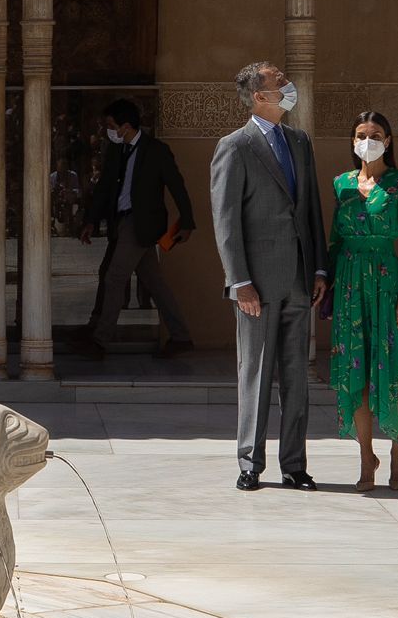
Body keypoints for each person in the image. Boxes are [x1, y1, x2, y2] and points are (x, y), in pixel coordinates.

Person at [211, 62, 327, 491]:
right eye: (280, 82)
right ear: (260, 96)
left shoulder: (299, 141)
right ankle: (250, 463)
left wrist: (318, 267)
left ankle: (294, 464)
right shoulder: (235, 146)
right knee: (256, 373)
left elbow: (311, 209)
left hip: (299, 279)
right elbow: (226, 220)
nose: (287, 86)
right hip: (257, 285)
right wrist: (238, 280)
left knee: (297, 374)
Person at [327, 111, 398, 490]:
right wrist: (325, 284)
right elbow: (335, 239)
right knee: (356, 372)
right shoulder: (342, 183)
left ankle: (396, 451)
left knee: (390, 366)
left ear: (389, 139)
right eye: (362, 134)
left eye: (376, 134)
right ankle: (366, 456)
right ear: (352, 141)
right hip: (349, 281)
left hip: (385, 281)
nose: (368, 140)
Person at [78, 99, 196, 358]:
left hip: (141, 224)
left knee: (114, 276)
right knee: (155, 283)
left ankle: (100, 339)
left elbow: (177, 186)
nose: (108, 130)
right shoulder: (115, 151)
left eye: (111, 125)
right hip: (121, 223)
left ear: (125, 126)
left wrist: (187, 221)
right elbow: (105, 188)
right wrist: (91, 220)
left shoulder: (156, 151)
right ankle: (180, 336)